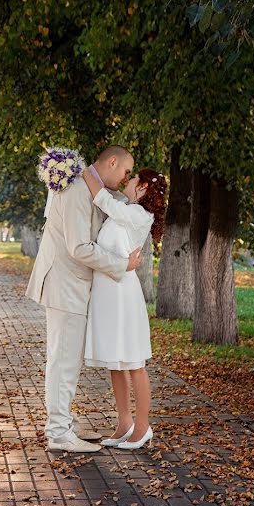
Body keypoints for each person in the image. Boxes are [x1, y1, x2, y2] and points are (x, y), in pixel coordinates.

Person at [26, 146, 143, 453]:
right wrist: (123, 265)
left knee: (65, 360)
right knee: (64, 361)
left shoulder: (82, 184)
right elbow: (79, 247)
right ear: (113, 162)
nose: (126, 178)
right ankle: (59, 433)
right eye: (126, 172)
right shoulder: (77, 188)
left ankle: (61, 423)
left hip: (69, 286)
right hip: (65, 286)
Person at [82, 166, 167, 450]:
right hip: (107, 291)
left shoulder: (139, 215)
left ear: (143, 188)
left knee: (133, 363)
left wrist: (83, 170)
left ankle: (142, 428)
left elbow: (102, 197)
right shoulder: (127, 208)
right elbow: (111, 196)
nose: (127, 181)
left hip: (122, 294)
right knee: (115, 363)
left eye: (133, 179)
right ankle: (124, 422)